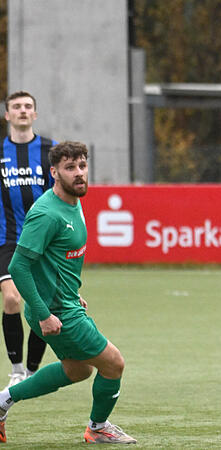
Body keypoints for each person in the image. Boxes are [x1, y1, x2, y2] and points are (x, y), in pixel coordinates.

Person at [0, 141, 136, 444]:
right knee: (113, 364)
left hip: (63, 304)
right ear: (54, 172)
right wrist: (44, 312)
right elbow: (19, 266)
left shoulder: (73, 202)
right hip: (56, 312)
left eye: (82, 166)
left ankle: (2, 401)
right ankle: (98, 427)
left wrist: (73, 291)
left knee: (78, 370)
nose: (79, 173)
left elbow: (57, 260)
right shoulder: (48, 213)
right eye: (70, 168)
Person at [1, 91, 55, 388]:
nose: (23, 111)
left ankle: (33, 372)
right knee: (11, 297)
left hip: (41, 241)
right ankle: (17, 368)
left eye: (28, 107)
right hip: (6, 238)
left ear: (35, 114)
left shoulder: (51, 150)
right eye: (16, 107)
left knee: (40, 304)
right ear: (7, 115)